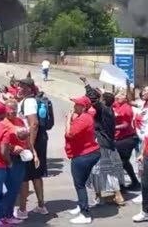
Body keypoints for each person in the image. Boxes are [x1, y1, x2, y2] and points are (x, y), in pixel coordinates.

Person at [80, 77, 125, 206]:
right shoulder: (110, 110)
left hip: (101, 145)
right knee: (111, 170)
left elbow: (93, 99)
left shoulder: (104, 110)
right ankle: (112, 195)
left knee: (98, 170)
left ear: (103, 101)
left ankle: (107, 195)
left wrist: (87, 84)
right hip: (109, 144)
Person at [15, 77, 48, 219]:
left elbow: (33, 124)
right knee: (36, 174)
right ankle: (41, 206)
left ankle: (23, 210)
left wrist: (31, 146)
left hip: (30, 142)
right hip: (34, 142)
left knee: (25, 176)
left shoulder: (28, 102)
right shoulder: (27, 101)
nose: (18, 89)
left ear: (28, 88)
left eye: (21, 86)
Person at [65, 96, 101, 224]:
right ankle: (81, 205)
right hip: (88, 152)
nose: (74, 107)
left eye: (77, 104)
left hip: (84, 154)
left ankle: (85, 214)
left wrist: (68, 120)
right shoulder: (84, 117)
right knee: (82, 183)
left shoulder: (84, 119)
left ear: (84, 107)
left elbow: (69, 134)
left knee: (79, 185)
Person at [0, 100, 30, 224]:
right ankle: (2, 215)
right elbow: (0, 142)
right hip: (8, 157)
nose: (12, 112)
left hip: (20, 157)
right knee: (7, 188)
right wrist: (12, 148)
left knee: (15, 188)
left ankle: (9, 214)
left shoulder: (19, 121)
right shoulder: (2, 123)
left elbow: (26, 137)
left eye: (15, 109)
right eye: (10, 109)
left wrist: (31, 150)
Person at [113, 85, 141, 191]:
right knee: (120, 162)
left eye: (123, 95)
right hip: (118, 137)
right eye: (119, 94)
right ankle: (126, 182)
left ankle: (133, 182)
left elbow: (126, 124)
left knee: (123, 161)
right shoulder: (115, 105)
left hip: (126, 138)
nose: (120, 96)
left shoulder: (126, 108)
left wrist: (112, 127)